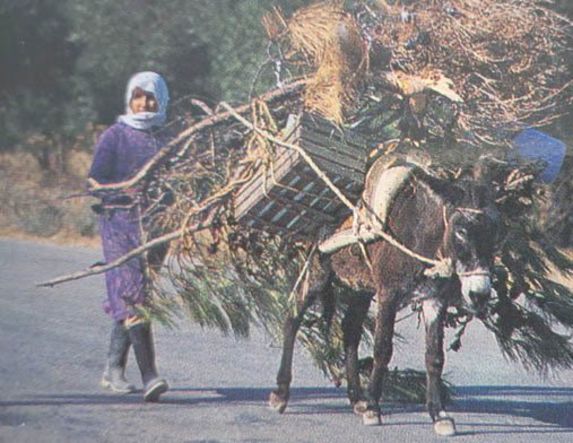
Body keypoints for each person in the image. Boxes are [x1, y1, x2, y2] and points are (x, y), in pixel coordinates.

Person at [88, 71, 170, 402]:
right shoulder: (115, 136)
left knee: (134, 296)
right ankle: (150, 376)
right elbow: (94, 180)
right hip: (119, 225)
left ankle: (113, 369)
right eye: (138, 96)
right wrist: (119, 190)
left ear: (160, 99)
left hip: (156, 229)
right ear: (129, 100)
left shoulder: (165, 139)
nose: (144, 103)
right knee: (133, 295)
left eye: (150, 97)